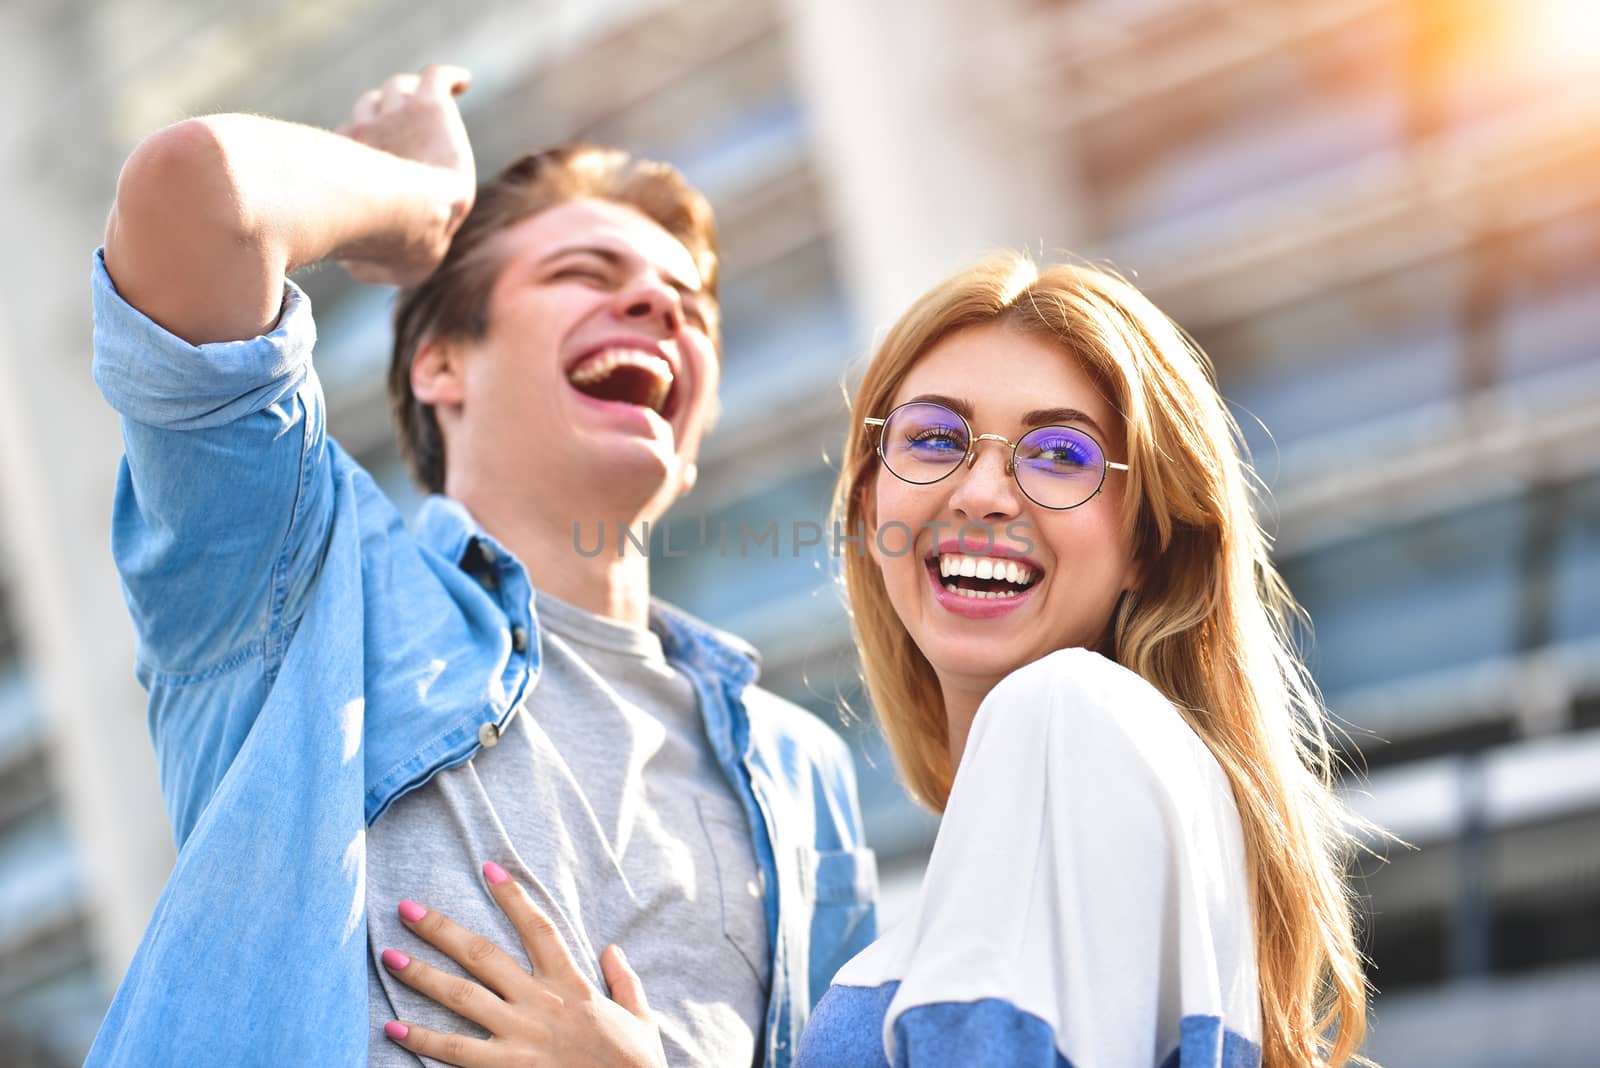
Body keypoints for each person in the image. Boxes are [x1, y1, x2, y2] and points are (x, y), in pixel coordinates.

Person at [383, 252, 1372, 1066]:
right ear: (869, 503)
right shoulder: (1073, 827)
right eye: (935, 438)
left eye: (1060, 455)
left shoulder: (1068, 715)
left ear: (1147, 539)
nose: (983, 490)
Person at [88, 64, 875, 1067]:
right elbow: (197, 189)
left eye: (690, 304)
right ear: (440, 364)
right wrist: (426, 202)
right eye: (585, 274)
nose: (657, 305)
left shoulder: (801, 772)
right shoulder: (304, 589)